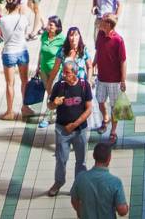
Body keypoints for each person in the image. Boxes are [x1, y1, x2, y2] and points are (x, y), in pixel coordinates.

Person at [46, 57, 93, 197]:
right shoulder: (59, 86)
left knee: (81, 161)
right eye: (63, 72)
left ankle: (79, 185)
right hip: (62, 130)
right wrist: (54, 103)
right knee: (61, 159)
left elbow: (89, 109)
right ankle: (58, 182)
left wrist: (74, 125)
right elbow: (50, 106)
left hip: (80, 130)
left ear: (75, 73)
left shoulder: (84, 85)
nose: (64, 75)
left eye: (67, 72)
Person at [69, 140, 130, 218]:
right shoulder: (115, 182)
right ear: (109, 158)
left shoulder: (80, 177)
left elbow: (74, 200)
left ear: (93, 156)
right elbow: (122, 211)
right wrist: (126, 207)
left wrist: (80, 212)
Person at [92, 15, 127, 143]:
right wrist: (93, 64)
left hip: (114, 81)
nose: (99, 23)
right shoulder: (100, 35)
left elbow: (123, 61)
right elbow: (98, 51)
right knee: (100, 101)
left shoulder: (118, 40)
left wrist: (123, 80)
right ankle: (105, 117)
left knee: (114, 107)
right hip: (101, 78)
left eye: (102, 21)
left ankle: (113, 131)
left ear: (108, 24)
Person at [0, 0, 32, 119]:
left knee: (10, 84)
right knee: (25, 81)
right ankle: (25, 107)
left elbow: (1, 35)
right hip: (22, 51)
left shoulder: (2, 20)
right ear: (18, 6)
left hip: (9, 52)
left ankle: (10, 112)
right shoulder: (24, 19)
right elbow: (25, 33)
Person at [34, 15, 66, 121]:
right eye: (48, 24)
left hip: (55, 71)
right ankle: (55, 109)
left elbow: (65, 54)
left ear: (57, 27)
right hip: (44, 70)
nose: (48, 26)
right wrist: (38, 66)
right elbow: (41, 52)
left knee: (52, 92)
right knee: (49, 92)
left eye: (50, 25)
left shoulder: (62, 39)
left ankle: (49, 116)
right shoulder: (44, 35)